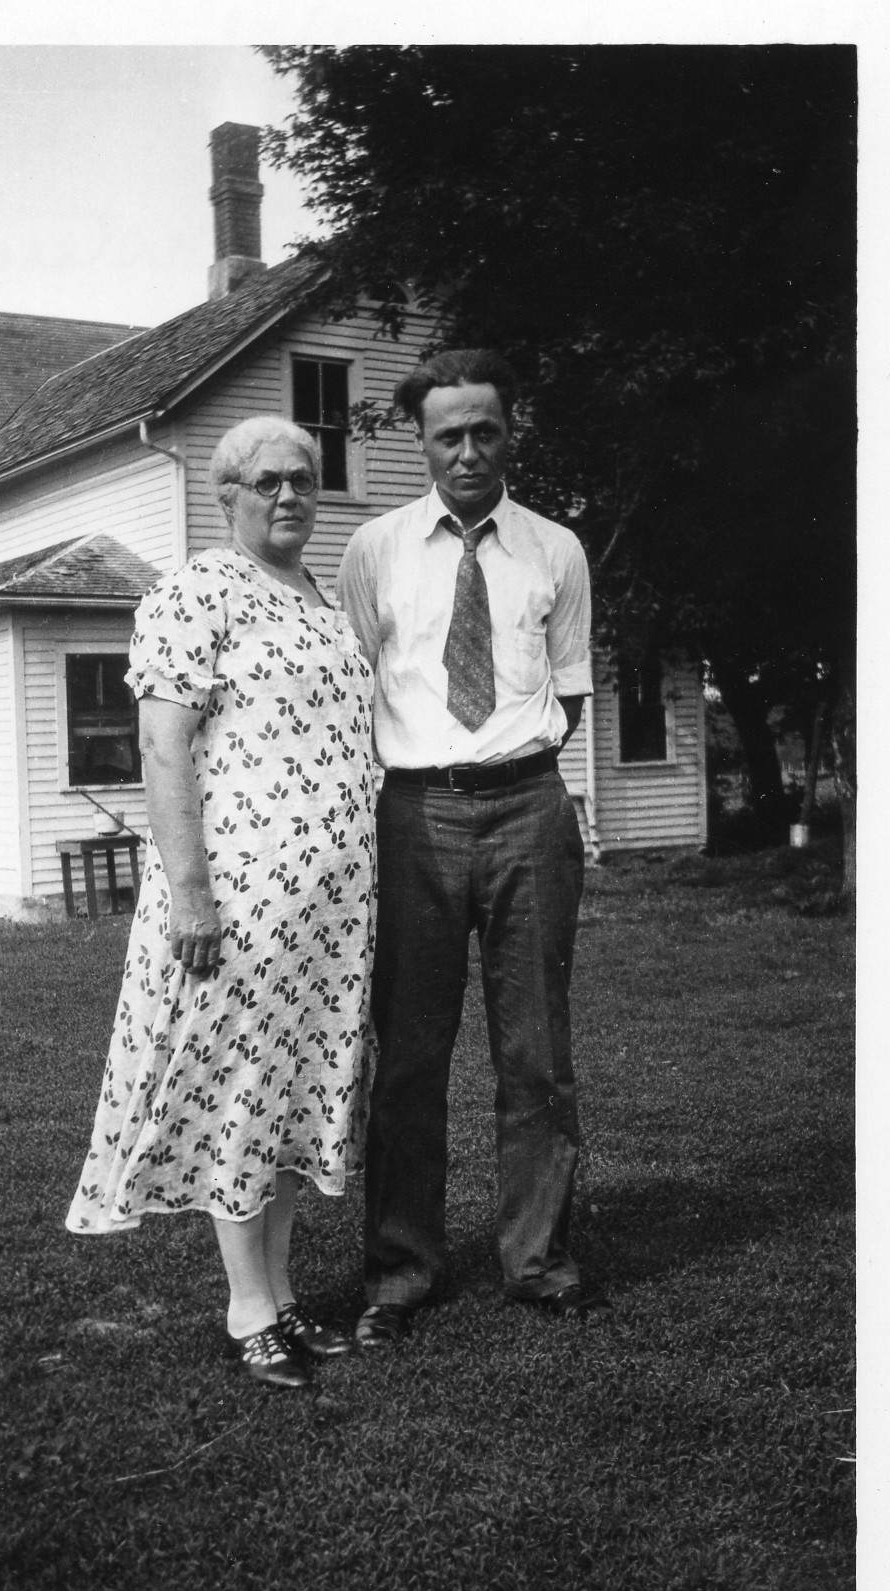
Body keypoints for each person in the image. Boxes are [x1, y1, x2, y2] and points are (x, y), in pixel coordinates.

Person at [66, 417, 376, 1391]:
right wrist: (191, 894)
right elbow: (161, 746)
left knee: (297, 1093)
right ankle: (249, 1307)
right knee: (240, 1085)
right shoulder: (199, 589)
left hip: (330, 915)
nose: (289, 495)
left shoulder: (325, 602)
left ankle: (281, 1292)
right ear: (228, 494)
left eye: (303, 479)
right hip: (241, 903)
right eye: (268, 481)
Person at [338, 348, 609, 1348]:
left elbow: (569, 691)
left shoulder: (556, 550)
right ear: (420, 440)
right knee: (409, 1053)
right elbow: (350, 689)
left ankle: (538, 1260)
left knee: (536, 1048)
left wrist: (506, 772)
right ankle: (401, 1270)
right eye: (447, 433)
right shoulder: (373, 550)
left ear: (509, 433)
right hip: (413, 814)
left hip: (528, 807)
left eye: (484, 430)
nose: (467, 450)